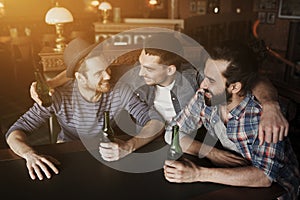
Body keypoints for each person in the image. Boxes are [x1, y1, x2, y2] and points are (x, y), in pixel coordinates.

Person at [31, 33, 289, 167]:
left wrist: (270, 105)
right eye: (139, 64)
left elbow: (250, 80)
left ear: (170, 70)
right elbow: (87, 71)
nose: (139, 72)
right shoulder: (135, 75)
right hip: (148, 142)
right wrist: (51, 83)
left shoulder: (199, 80)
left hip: (190, 146)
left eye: (148, 68)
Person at [5, 37, 165, 181]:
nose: (108, 76)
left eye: (107, 69)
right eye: (98, 73)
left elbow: (156, 122)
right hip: (69, 154)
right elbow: (15, 132)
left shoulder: (119, 89)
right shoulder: (58, 96)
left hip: (106, 153)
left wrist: (128, 146)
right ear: (80, 78)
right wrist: (29, 154)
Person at [163, 42, 300, 200]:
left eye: (211, 81)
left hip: (277, 192)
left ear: (234, 87)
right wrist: (211, 153)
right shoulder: (205, 96)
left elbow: (264, 177)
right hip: (234, 181)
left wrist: (197, 173)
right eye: (204, 77)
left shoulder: (259, 116)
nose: (202, 85)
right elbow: (172, 131)